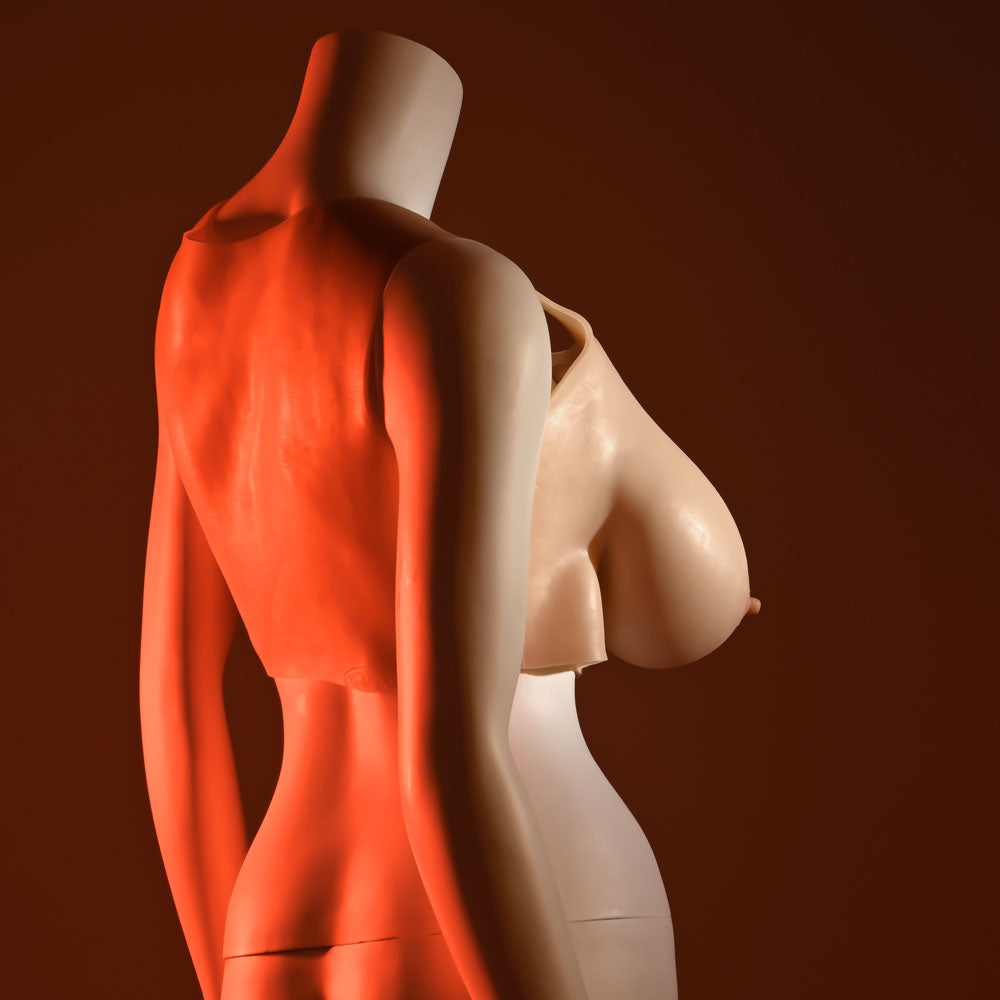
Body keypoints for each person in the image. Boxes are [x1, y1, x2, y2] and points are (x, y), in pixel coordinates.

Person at [139, 27, 761, 1000]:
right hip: (540, 896)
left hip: (272, 918)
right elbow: (453, 746)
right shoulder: (457, 291)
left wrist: (224, 980)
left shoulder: (197, 284)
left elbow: (171, 699)